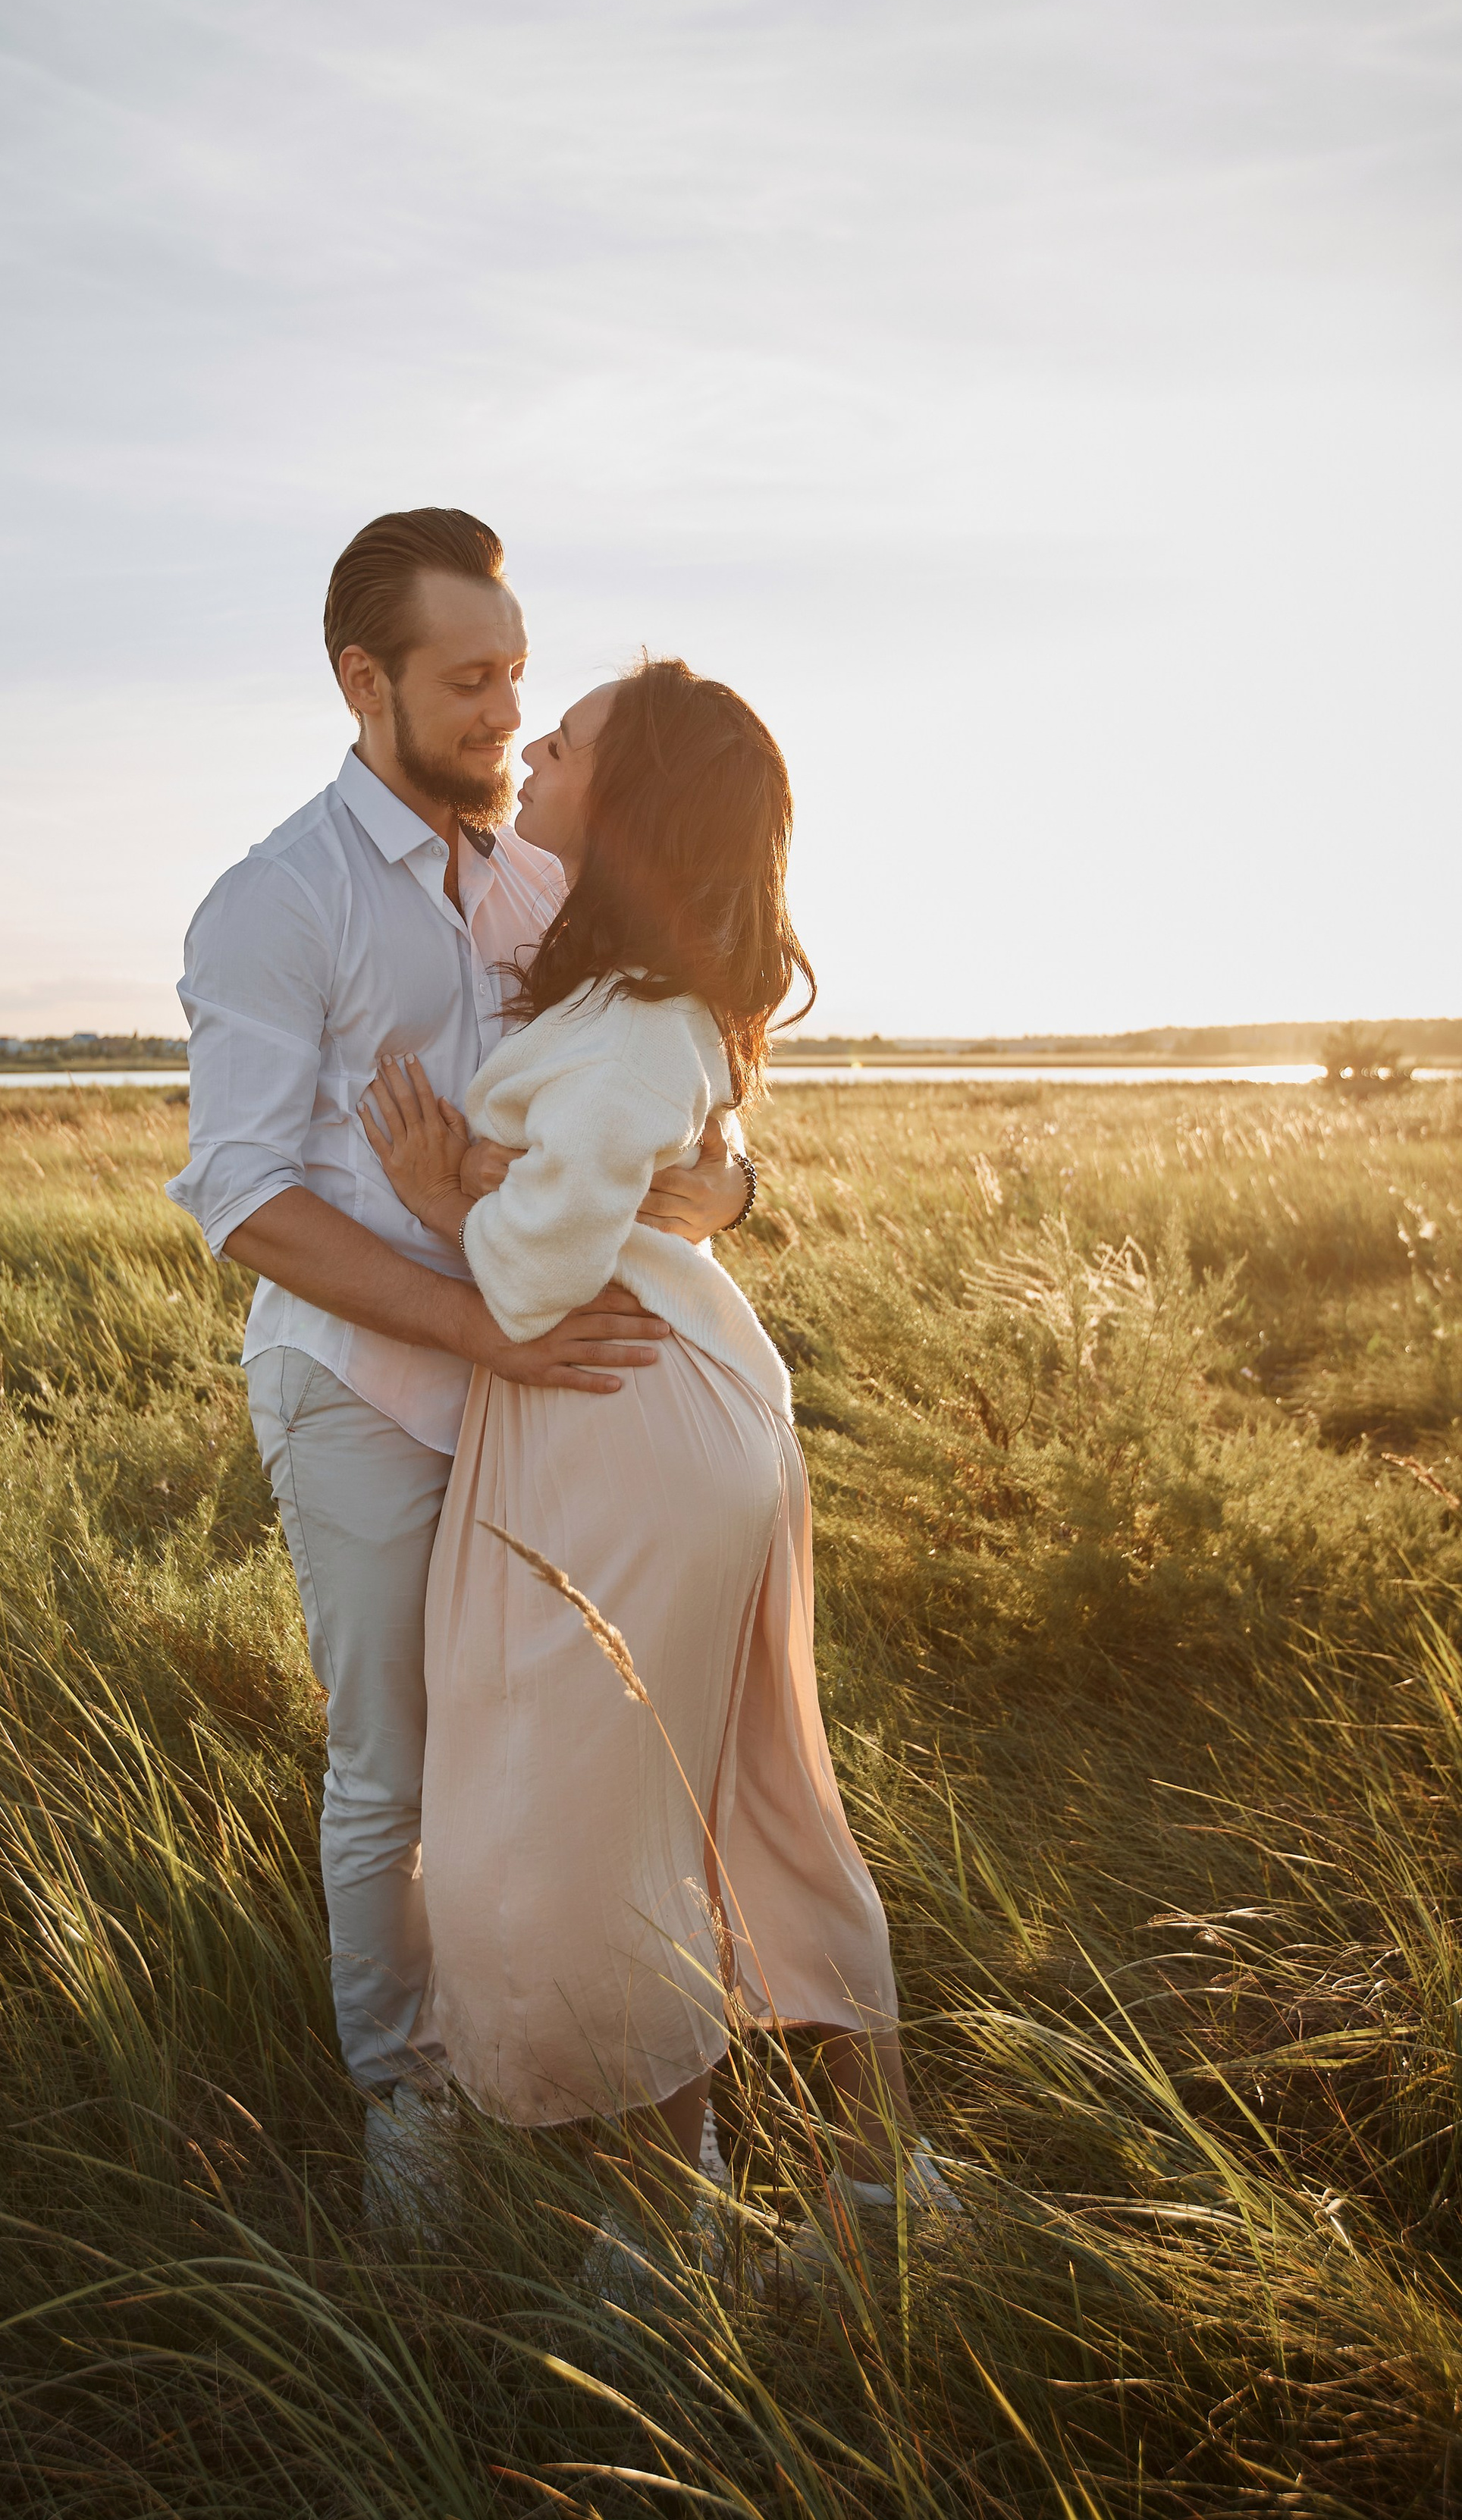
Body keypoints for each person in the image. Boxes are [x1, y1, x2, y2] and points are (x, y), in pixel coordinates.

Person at [166, 513, 748, 2218]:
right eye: (470, 678)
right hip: (367, 1397)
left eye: (518, 669)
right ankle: (409, 2111)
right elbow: (245, 1195)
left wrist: (728, 1179)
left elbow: (684, 1058)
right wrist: (485, 1326)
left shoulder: (551, 867)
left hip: (553, 1410)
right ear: (366, 682)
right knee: (396, 1769)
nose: (512, 708)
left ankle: (593, 2086)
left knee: (577, 1752)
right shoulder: (276, 901)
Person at [357, 655, 954, 2242]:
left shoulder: (633, 1016)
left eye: (572, 740)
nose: (535, 741)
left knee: (604, 1820)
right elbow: (649, 1153)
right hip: (652, 1407)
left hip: (615, 1409)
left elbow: (537, 1268)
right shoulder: (629, 987)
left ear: (628, 806)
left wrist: (440, 1194)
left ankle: (675, 2223)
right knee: (737, 1789)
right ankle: (864, 2185)